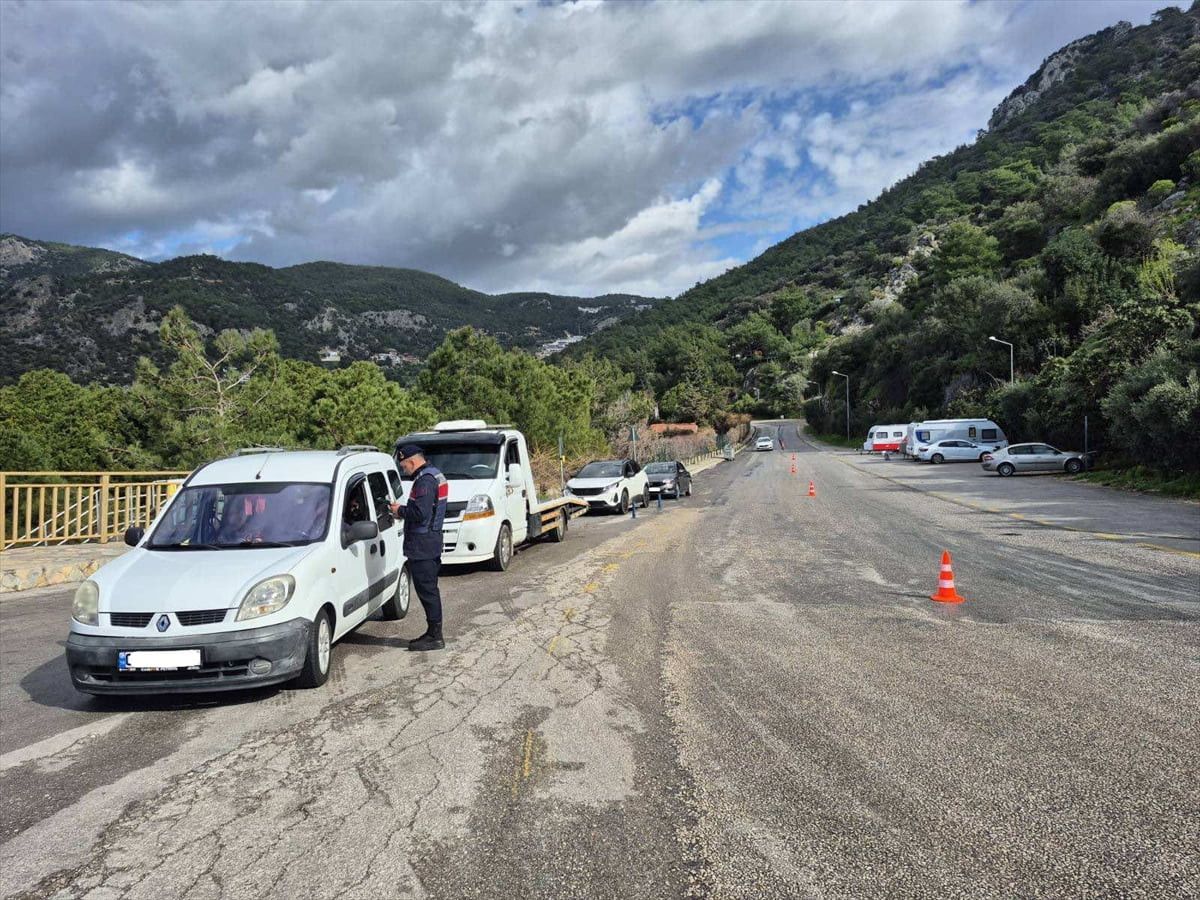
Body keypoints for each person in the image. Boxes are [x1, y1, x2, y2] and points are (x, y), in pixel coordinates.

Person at [389, 443, 448, 651]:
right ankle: (433, 633)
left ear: (411, 461)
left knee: (427, 590)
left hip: (423, 545)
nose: (403, 469)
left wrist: (400, 511)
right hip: (429, 541)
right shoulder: (434, 475)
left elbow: (420, 513)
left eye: (403, 465)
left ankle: (434, 636)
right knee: (429, 589)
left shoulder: (425, 480)